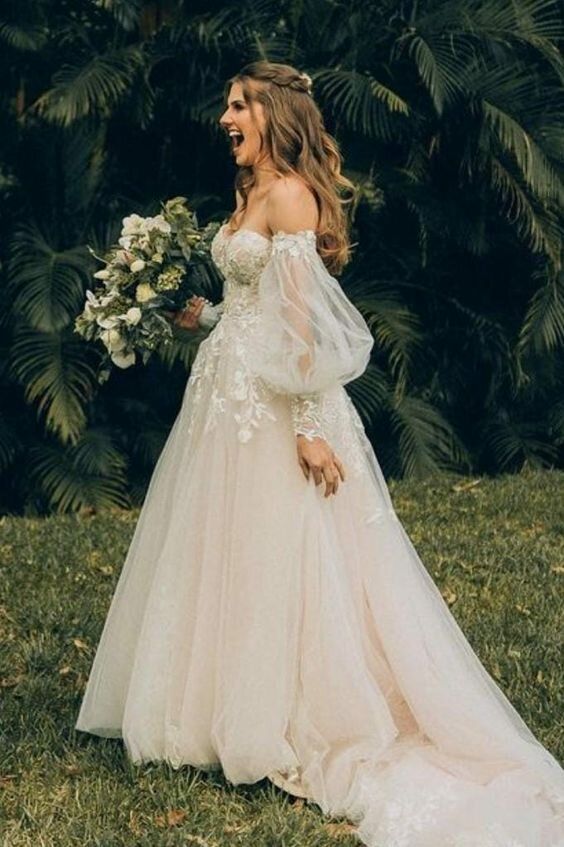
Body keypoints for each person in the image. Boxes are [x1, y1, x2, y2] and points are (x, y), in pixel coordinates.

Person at [75, 61, 564, 846]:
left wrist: (307, 423)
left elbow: (300, 320)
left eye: (239, 105)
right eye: (226, 103)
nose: (224, 116)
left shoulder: (292, 196)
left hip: (274, 405)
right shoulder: (248, 194)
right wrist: (202, 317)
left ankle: (292, 712)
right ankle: (213, 704)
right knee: (224, 547)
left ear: (274, 115)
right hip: (225, 396)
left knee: (284, 550)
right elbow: (253, 304)